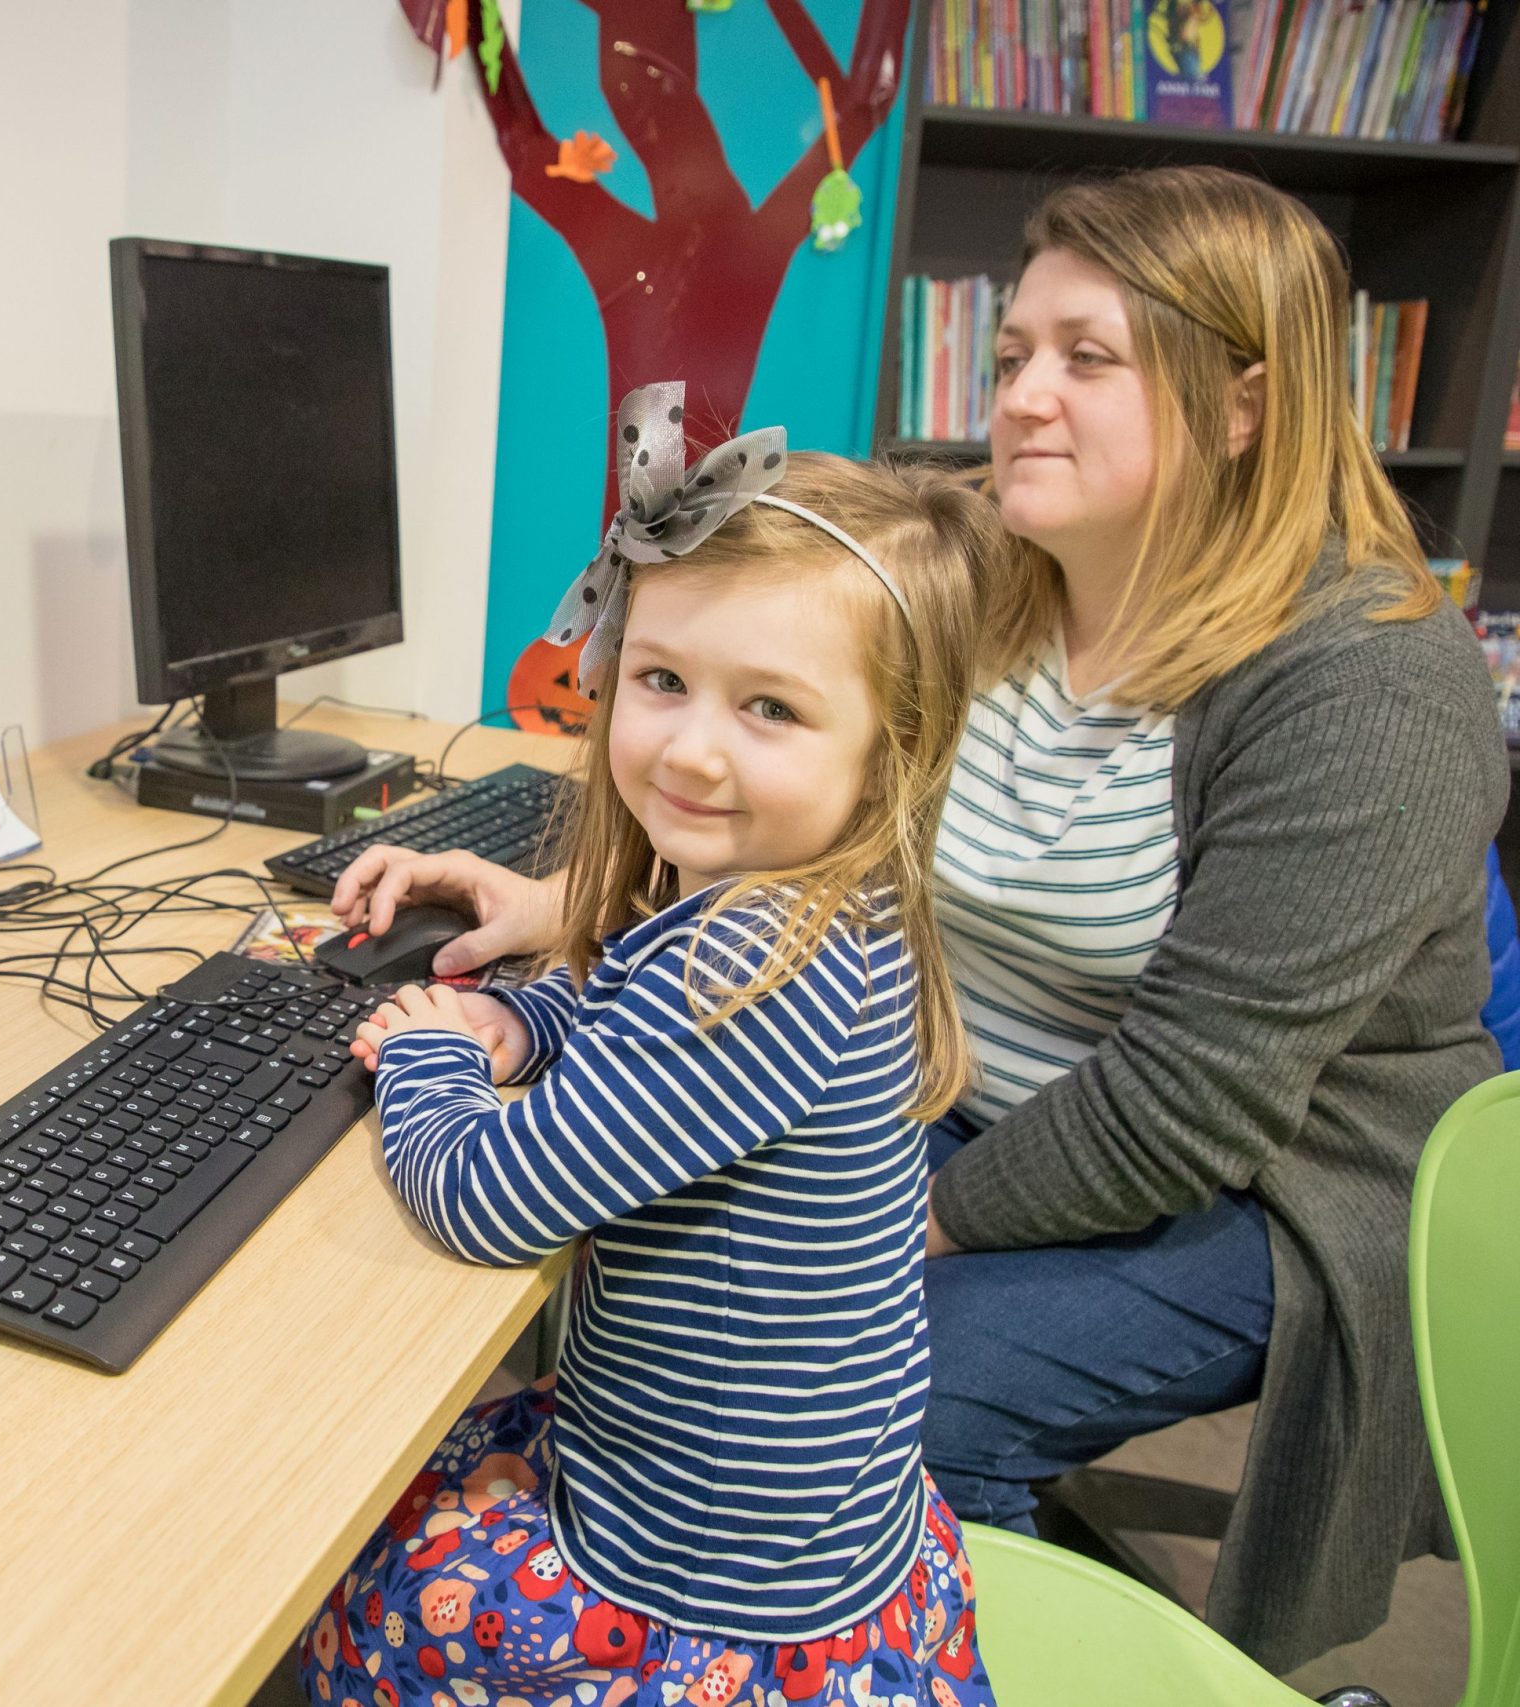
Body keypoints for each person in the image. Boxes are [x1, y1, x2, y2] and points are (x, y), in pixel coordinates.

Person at [338, 166, 1507, 1672]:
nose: (1022, 395)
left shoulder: (1367, 687)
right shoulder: (991, 565)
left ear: (1240, 403)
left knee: (895, 1392)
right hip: (951, 1091)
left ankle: (910, 1660)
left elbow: (1188, 1106)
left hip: (1259, 1181)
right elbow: (796, 774)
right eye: (1015, 351)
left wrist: (889, 1232)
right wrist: (570, 919)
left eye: (1090, 357)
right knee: (659, 1290)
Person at [297, 405, 1002, 1707]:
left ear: (885, 752)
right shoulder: (818, 910)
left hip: (701, 1611)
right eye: (662, 679)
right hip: (802, 1536)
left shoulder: (750, 963)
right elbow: (637, 1027)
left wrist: (431, 1056)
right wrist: (525, 1019)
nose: (689, 745)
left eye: (771, 708)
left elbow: (487, 1202)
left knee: (320, 1556)